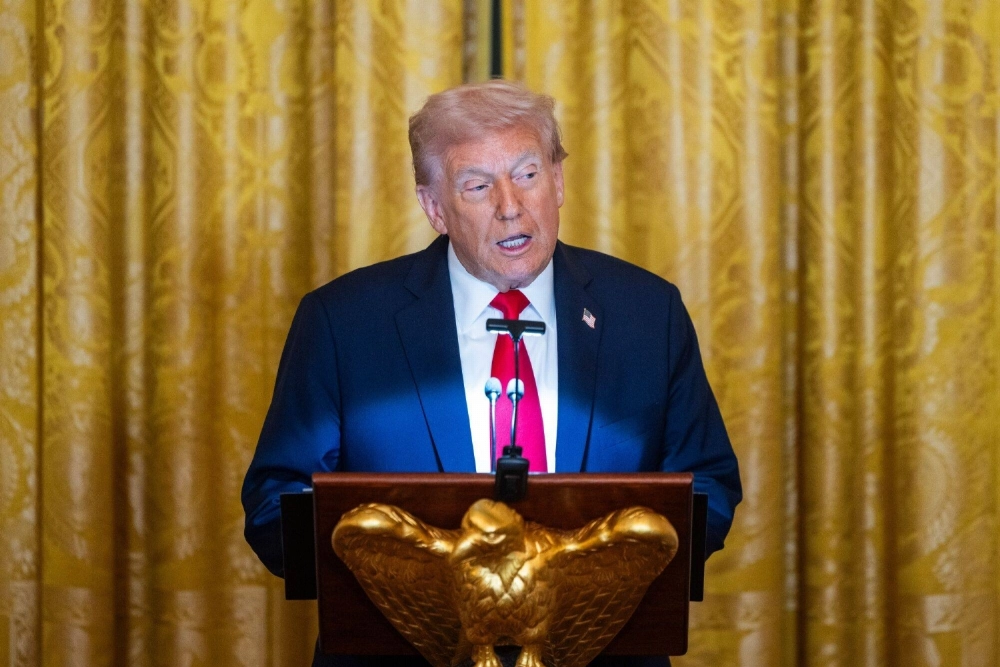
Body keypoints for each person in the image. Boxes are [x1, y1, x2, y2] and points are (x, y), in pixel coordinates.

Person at [242, 80, 741, 667]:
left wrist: (573, 586)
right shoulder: (343, 323)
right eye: (477, 186)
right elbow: (276, 508)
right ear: (434, 208)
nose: (510, 205)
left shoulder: (646, 313)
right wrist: (432, 583)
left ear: (558, 181)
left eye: (527, 174)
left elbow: (709, 488)